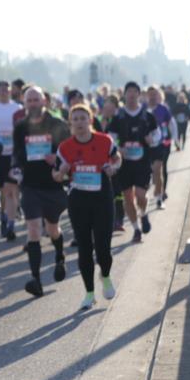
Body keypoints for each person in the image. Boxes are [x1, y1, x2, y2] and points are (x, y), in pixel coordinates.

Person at [54, 104, 122, 310]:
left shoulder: (104, 141)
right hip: (78, 201)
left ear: (90, 120)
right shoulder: (65, 147)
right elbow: (56, 176)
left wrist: (114, 167)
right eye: (75, 119)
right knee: (84, 248)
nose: (79, 123)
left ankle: (107, 276)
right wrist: (62, 171)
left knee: (103, 247)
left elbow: (117, 158)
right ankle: (89, 293)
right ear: (70, 123)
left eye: (83, 118)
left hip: (102, 199)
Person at [12, 86, 70, 297]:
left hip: (54, 185)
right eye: (29, 100)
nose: (33, 104)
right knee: (34, 230)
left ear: (44, 101)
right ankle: (36, 279)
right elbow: (18, 153)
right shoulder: (20, 127)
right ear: (24, 103)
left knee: (52, 228)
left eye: (36, 99)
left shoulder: (56, 124)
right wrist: (16, 168)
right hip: (30, 186)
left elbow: (70, 150)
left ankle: (60, 255)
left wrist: (58, 158)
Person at [108, 82, 160, 243]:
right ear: (124, 95)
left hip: (142, 162)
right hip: (124, 164)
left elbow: (157, 134)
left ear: (139, 94)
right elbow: (109, 137)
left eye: (134, 92)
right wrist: (117, 148)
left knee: (140, 195)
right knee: (127, 197)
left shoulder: (147, 115)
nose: (131, 95)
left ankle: (143, 214)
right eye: (128, 91)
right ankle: (136, 229)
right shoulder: (118, 117)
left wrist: (152, 140)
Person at [0, 80, 23, 240]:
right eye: (0, 89)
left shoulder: (17, 108)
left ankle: (11, 224)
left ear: (10, 91)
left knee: (12, 190)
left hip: (14, 155)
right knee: (1, 190)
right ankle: (3, 217)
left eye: (5, 89)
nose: (3, 92)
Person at [145, 85, 176, 208]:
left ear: (158, 96)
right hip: (146, 146)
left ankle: (159, 198)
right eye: (150, 94)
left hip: (161, 144)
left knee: (158, 170)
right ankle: (149, 192)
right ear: (147, 95)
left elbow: (172, 124)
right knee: (149, 172)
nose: (152, 97)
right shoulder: (142, 109)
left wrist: (173, 139)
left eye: (154, 94)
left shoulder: (163, 109)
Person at [99, 94, 126, 232]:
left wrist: (120, 148)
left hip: (117, 158)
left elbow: (122, 137)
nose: (106, 109)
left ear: (115, 107)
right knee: (109, 190)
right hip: (103, 160)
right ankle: (111, 218)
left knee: (117, 189)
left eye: (109, 106)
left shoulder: (119, 120)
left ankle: (119, 218)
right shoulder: (100, 121)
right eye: (105, 106)